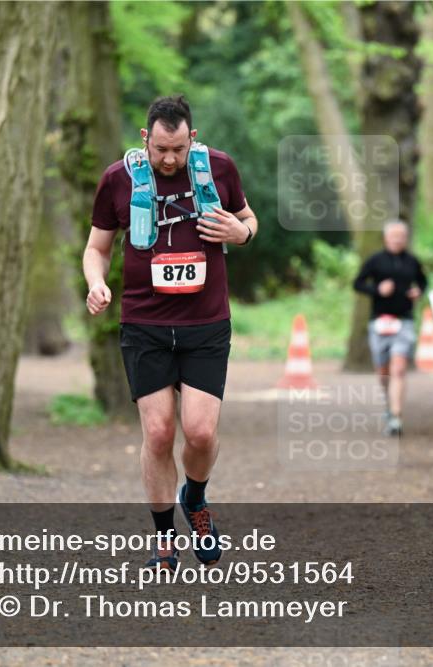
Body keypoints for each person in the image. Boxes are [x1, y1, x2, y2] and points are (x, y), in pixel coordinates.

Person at [82, 95, 258, 571]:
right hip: (145, 324)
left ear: (192, 139)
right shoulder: (118, 179)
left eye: (178, 149)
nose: (168, 159)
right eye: (160, 149)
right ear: (146, 138)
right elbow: (97, 248)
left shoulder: (218, 169)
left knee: (200, 432)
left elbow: (248, 219)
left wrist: (241, 233)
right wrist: (96, 283)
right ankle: (164, 538)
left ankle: (194, 498)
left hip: (206, 323)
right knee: (158, 433)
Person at [352, 221, 428, 437]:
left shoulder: (412, 261)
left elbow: (423, 282)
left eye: (401, 236)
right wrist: (377, 289)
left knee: (399, 368)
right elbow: (357, 283)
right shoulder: (375, 261)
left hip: (404, 321)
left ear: (406, 238)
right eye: (394, 236)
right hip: (379, 322)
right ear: (386, 238)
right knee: (383, 371)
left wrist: (418, 291)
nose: (398, 240)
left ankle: (396, 416)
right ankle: (389, 404)